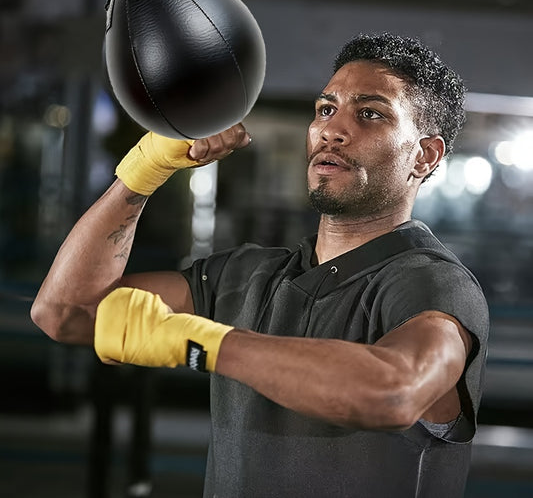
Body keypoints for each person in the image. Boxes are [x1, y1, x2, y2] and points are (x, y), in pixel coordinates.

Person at [31, 32, 489, 498]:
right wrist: (142, 172)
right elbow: (67, 313)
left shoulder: (432, 284)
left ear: (425, 156)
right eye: (325, 109)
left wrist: (208, 344)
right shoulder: (245, 276)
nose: (332, 130)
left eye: (370, 114)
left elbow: (395, 392)